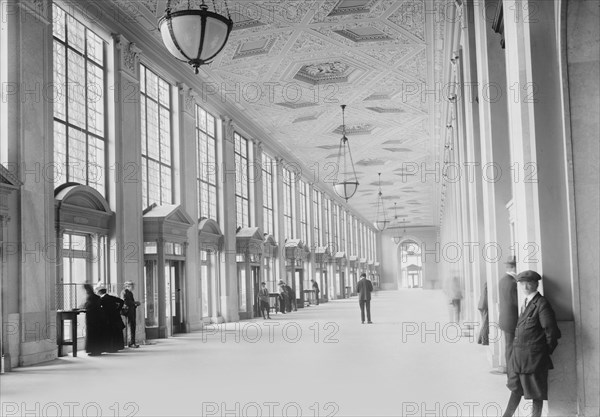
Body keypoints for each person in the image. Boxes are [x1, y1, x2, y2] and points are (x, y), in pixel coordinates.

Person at [503, 270, 561, 417]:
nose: (525, 286)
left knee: (536, 394)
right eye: (522, 283)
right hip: (520, 358)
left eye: (529, 283)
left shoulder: (541, 304)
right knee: (516, 388)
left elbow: (551, 331)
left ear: (536, 284)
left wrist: (543, 352)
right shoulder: (526, 301)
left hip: (534, 359)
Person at [499, 256, 518, 371]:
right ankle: (511, 373)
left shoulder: (503, 280)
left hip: (506, 319)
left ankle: (510, 372)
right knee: (511, 347)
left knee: (509, 346)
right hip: (512, 319)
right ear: (513, 268)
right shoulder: (512, 282)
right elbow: (516, 302)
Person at [96, 283, 126, 353]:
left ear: (99, 292)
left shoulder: (102, 299)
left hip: (107, 318)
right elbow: (121, 301)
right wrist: (118, 310)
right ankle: (116, 347)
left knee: (109, 333)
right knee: (115, 333)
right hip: (115, 317)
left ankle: (109, 348)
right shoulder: (111, 297)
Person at [83, 283, 106, 356]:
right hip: (98, 317)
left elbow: (88, 306)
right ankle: (98, 350)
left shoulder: (90, 297)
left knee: (92, 334)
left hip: (92, 318)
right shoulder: (96, 297)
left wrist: (84, 306)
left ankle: (93, 350)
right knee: (97, 334)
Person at [120, 281, 141, 348]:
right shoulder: (125, 292)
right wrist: (135, 302)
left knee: (132, 326)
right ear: (127, 286)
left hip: (131, 311)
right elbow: (125, 302)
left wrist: (135, 304)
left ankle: (131, 342)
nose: (133, 287)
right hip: (128, 312)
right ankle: (131, 343)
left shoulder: (129, 292)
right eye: (132, 286)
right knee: (131, 326)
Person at [477, 281, 489, 345]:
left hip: (482, 305)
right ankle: (484, 341)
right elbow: (486, 297)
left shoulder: (485, 284)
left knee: (484, 323)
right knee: (485, 323)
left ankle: (479, 339)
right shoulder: (488, 284)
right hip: (484, 306)